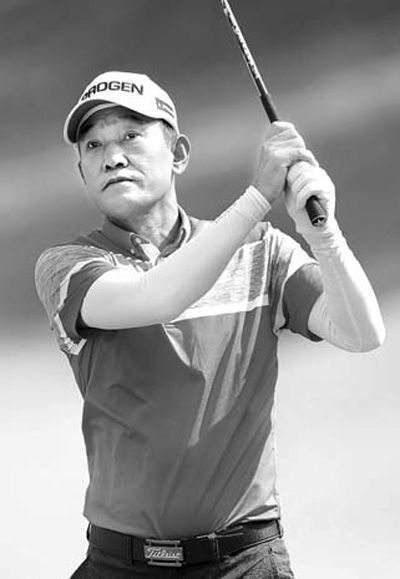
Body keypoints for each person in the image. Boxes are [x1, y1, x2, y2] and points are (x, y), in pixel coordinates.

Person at [35, 71, 385, 579]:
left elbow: (361, 333)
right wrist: (257, 196)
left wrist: (323, 233)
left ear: (177, 153)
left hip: (245, 562)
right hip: (121, 565)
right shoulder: (66, 265)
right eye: (94, 145)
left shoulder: (261, 251)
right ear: (83, 171)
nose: (112, 157)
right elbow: (157, 296)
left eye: (131, 135)